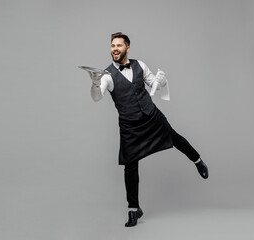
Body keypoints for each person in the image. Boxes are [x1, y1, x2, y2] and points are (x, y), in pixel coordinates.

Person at [88, 32, 209, 227]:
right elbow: (97, 96)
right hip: (129, 125)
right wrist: (95, 82)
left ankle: (198, 160)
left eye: (119, 45)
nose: (115, 49)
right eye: (112, 46)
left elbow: (153, 85)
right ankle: (133, 210)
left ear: (127, 48)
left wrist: (160, 82)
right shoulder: (106, 75)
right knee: (130, 165)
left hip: (151, 116)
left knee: (174, 138)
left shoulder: (140, 65)